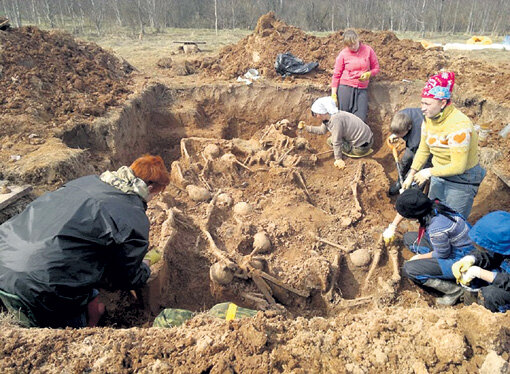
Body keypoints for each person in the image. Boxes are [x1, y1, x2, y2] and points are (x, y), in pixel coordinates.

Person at [0, 155, 170, 328]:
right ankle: (88, 324)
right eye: (157, 193)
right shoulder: (133, 216)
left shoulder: (85, 182)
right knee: (78, 328)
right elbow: (127, 278)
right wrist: (146, 264)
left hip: (4, 259)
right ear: (149, 188)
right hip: (41, 288)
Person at [383, 72, 485, 243]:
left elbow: (458, 166)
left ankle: (450, 254)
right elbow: (423, 148)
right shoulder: (429, 120)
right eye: (422, 102)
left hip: (461, 180)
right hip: (439, 174)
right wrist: (411, 173)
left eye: (427, 103)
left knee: (453, 220)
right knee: (434, 211)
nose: (422, 107)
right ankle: (434, 242)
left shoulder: (459, 126)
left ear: (443, 102)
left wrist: (428, 172)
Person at [397, 189, 474, 306]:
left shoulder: (436, 229)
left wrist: (420, 257)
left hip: (462, 257)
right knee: (409, 238)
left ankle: (455, 291)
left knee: (410, 269)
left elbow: (443, 254)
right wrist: (392, 226)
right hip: (453, 245)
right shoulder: (435, 204)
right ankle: (431, 263)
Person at [452, 211, 510, 313]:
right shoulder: (504, 241)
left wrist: (480, 273)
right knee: (473, 270)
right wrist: (471, 259)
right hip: (503, 273)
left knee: (491, 294)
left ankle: (496, 314)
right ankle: (470, 308)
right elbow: (490, 253)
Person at [299, 96, 373, 169]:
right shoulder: (332, 115)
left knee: (331, 141)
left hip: (361, 147)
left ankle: (352, 151)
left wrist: (338, 159)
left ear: (322, 113)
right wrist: (306, 127)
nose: (316, 117)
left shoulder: (335, 121)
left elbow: (336, 141)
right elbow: (322, 130)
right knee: (333, 139)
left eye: (316, 114)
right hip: (368, 139)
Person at [330, 29, 380, 122]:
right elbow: (336, 75)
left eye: (354, 43)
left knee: (360, 118)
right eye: (350, 46)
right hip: (345, 87)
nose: (353, 47)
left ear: (358, 39)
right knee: (344, 116)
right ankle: (343, 136)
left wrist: (369, 74)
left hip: (361, 89)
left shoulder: (368, 50)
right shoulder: (343, 54)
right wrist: (333, 94)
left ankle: (357, 136)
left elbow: (376, 68)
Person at [387, 108, 432, 195]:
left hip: (428, 150)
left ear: (409, 128)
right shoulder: (402, 115)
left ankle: (412, 193)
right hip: (415, 144)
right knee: (404, 161)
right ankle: (399, 183)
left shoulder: (416, 138)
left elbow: (420, 157)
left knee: (418, 174)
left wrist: (410, 176)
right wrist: (395, 134)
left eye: (400, 134)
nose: (398, 136)